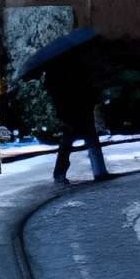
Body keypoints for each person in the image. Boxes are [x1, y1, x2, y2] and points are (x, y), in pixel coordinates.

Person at [47, 41, 109, 183]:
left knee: (69, 142)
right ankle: (98, 170)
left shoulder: (55, 72)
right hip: (78, 108)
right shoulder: (74, 67)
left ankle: (61, 173)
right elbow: (86, 86)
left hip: (71, 110)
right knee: (84, 138)